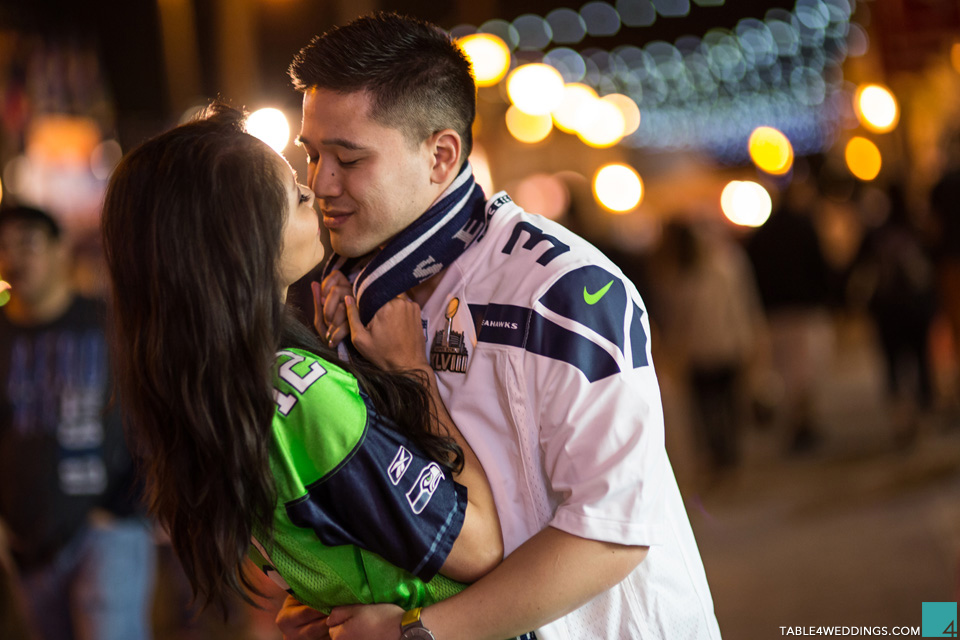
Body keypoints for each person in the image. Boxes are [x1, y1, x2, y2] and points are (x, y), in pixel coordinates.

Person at [280, 12, 721, 640]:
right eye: (313, 153)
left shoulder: (563, 291)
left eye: (348, 158)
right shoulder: (350, 299)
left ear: (440, 156)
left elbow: (612, 534)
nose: (320, 182)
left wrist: (418, 634)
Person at [99, 104, 502, 618]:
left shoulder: (210, 383)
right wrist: (412, 372)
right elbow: (480, 545)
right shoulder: (306, 397)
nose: (318, 190)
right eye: (294, 194)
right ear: (240, 238)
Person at [0, 204, 155, 640]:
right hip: (30, 540)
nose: (15, 258)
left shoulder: (110, 321)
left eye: (28, 243)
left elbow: (154, 409)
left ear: (59, 248)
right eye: (4, 247)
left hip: (108, 527)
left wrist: (129, 503)